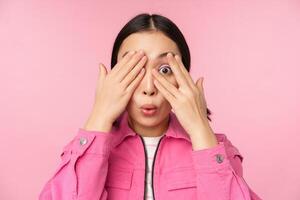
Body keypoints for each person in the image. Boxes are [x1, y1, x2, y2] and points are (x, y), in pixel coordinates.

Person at [39, 13, 263, 200]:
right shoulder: (87, 151)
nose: (148, 88)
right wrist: (100, 116)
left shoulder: (215, 149)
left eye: (165, 70)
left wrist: (200, 130)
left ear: (183, 77)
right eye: (135, 69)